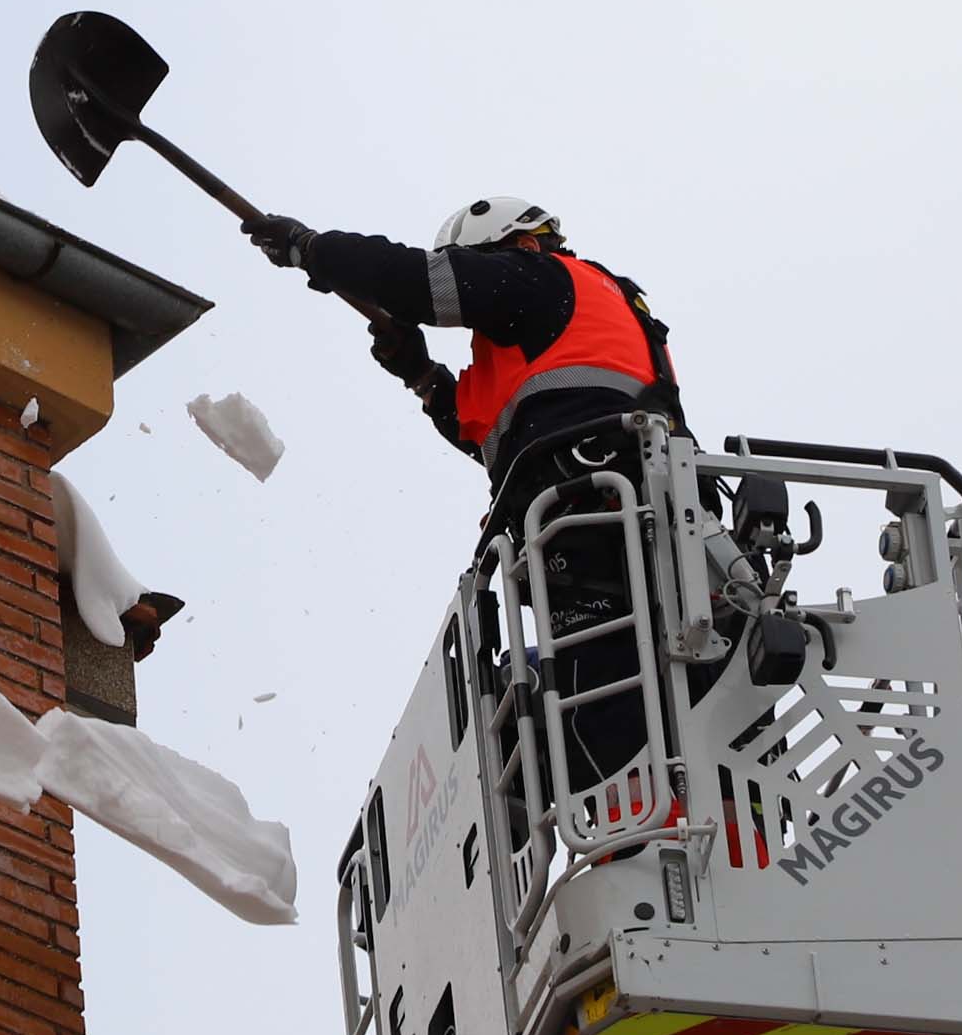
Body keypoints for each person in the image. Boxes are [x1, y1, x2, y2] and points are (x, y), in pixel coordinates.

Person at [244, 199, 689, 807]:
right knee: (597, 702)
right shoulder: (547, 340)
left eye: (481, 266)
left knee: (603, 706)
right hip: (607, 526)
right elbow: (483, 430)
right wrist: (421, 373)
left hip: (603, 517)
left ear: (523, 247)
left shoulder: (543, 282)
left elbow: (420, 281)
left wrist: (313, 250)